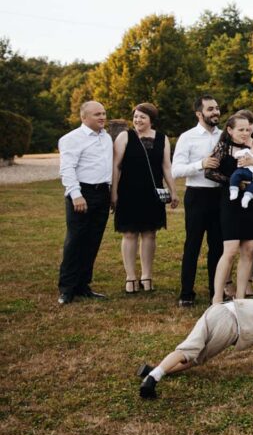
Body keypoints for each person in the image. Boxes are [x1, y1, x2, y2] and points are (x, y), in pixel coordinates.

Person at [137, 291, 253, 399]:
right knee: (196, 358)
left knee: (187, 347)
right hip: (229, 325)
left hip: (217, 309)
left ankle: (154, 373)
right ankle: (156, 375)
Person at [111, 102, 178, 294]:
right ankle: (130, 276)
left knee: (150, 233)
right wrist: (114, 192)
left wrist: (173, 191)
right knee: (129, 233)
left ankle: (147, 275)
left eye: (142, 117)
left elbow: (166, 166)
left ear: (151, 120)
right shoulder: (125, 136)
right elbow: (116, 166)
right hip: (128, 191)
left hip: (152, 192)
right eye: (136, 116)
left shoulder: (162, 139)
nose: (138, 120)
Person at [57, 101, 113, 305]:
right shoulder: (71, 139)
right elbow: (67, 169)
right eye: (97, 114)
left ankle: (83, 286)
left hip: (102, 193)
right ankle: (67, 288)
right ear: (84, 117)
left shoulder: (106, 137)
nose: (102, 117)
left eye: (104, 113)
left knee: (93, 241)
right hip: (82, 193)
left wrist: (112, 194)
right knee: (75, 241)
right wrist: (76, 194)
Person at [171, 95, 224, 307]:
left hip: (220, 196)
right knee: (192, 245)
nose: (216, 112)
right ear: (199, 114)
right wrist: (200, 164)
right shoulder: (187, 137)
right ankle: (186, 293)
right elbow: (176, 170)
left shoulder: (224, 136)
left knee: (218, 247)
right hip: (197, 195)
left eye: (217, 108)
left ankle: (215, 291)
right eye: (210, 109)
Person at [208, 114, 253, 304]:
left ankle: (240, 298)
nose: (245, 133)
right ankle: (217, 297)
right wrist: (234, 181)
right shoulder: (223, 148)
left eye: (248, 129)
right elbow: (210, 172)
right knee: (230, 250)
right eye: (240, 129)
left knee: (249, 248)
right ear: (230, 130)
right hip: (230, 202)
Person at [228, 135, 253, 209]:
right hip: (243, 170)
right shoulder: (247, 151)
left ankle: (246, 198)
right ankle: (234, 190)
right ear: (252, 146)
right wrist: (244, 155)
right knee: (235, 175)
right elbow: (236, 155)